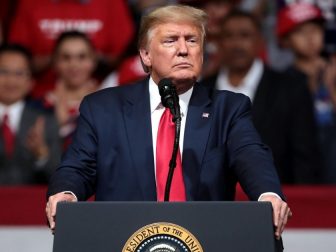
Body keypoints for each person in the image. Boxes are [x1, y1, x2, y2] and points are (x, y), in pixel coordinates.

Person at [46, 5, 291, 242]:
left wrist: (267, 194)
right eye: (171, 40)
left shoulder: (227, 109)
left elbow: (251, 156)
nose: (183, 49)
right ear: (146, 55)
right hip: (123, 241)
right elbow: (77, 167)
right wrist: (66, 194)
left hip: (205, 241)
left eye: (192, 40)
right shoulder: (103, 109)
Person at [201, 10, 321, 184]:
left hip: (278, 200)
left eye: (245, 35)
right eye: (228, 36)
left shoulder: (291, 88)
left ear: (260, 42)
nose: (236, 44)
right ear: (219, 43)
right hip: (213, 201)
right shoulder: (202, 90)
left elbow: (306, 156)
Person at [277, 3, 336, 183]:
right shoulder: (281, 80)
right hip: (301, 168)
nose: (310, 38)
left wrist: (331, 87)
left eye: (315, 30)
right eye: (301, 32)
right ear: (286, 40)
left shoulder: (333, 71)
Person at [0, 44, 61, 184]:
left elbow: (61, 179)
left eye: (19, 73)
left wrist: (42, 155)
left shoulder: (46, 121)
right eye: (3, 72)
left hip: (30, 203)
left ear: (31, 82)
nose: (11, 80)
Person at [43, 31, 98, 150]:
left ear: (94, 60)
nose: (74, 65)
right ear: (55, 62)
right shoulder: (41, 105)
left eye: (82, 57)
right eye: (66, 57)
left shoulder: (110, 103)